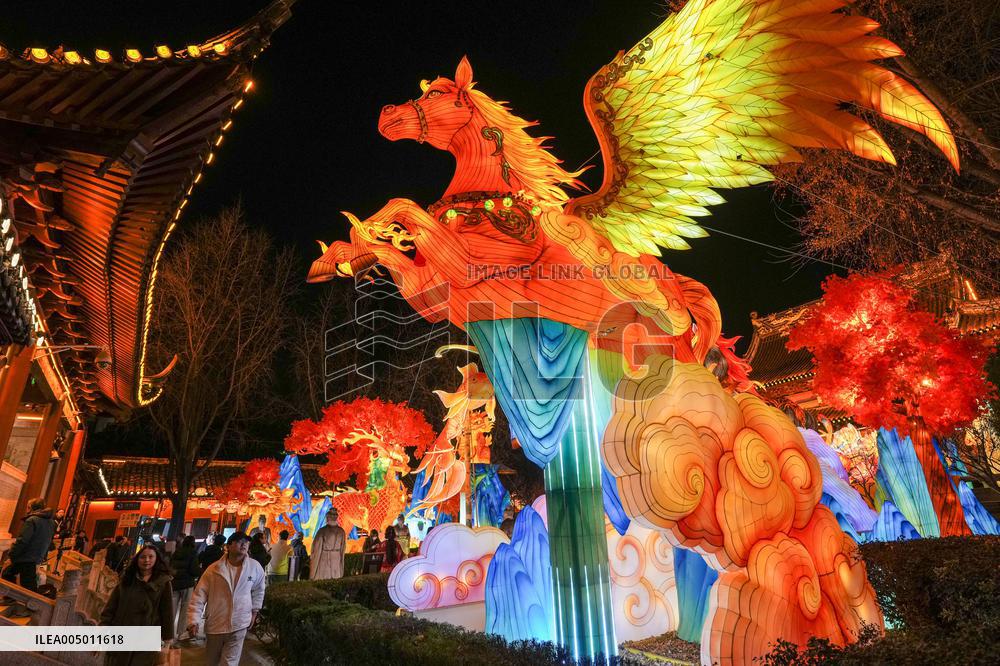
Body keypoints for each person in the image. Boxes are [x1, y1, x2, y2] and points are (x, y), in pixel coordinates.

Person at [187, 532, 265, 666]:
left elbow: (259, 589)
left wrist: (254, 611)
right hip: (216, 623)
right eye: (239, 541)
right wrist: (193, 620)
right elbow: (199, 595)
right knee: (212, 661)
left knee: (230, 662)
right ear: (228, 546)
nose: (244, 544)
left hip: (239, 623)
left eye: (246, 542)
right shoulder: (214, 569)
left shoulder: (254, 567)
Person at [100, 545, 174, 666]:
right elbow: (111, 607)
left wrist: (167, 642)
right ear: (137, 559)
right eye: (143, 557)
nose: (147, 560)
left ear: (157, 559)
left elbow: (167, 613)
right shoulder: (127, 580)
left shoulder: (163, 582)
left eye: (151, 557)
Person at [1, 497, 55, 592]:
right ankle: (12, 598)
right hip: (37, 556)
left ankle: (22, 601)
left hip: (26, 556)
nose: (26, 510)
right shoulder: (50, 522)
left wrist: (12, 555)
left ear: (31, 507)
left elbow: (22, 541)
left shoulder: (32, 520)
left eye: (27, 507)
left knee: (12, 577)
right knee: (24, 581)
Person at [169, 535, 201, 643]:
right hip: (187, 584)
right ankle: (181, 633)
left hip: (175, 584)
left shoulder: (176, 552)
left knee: (172, 608)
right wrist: (199, 572)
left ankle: (167, 633)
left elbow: (171, 566)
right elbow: (193, 570)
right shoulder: (193, 553)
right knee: (185, 608)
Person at [310, 509, 346, 580]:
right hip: (337, 558)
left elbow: (316, 548)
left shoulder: (322, 531)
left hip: (325, 559)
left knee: (324, 580)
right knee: (336, 580)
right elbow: (343, 548)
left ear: (328, 517)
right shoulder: (341, 531)